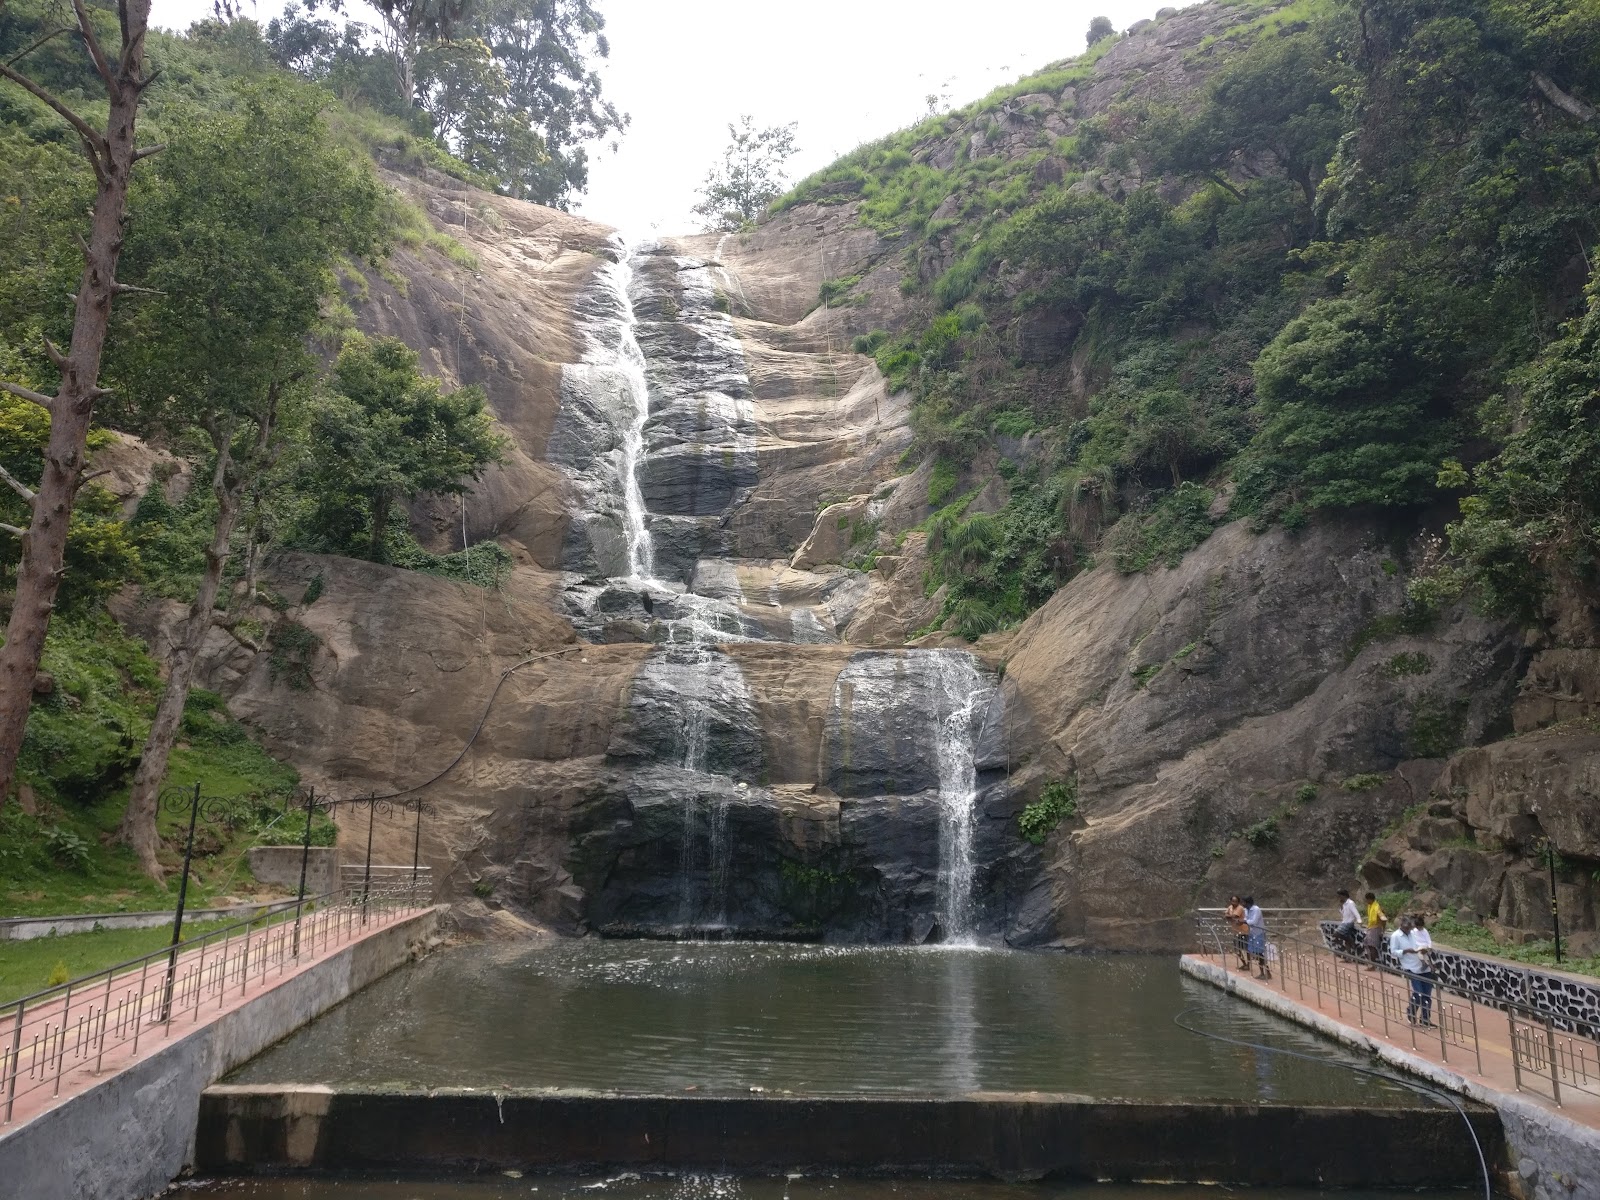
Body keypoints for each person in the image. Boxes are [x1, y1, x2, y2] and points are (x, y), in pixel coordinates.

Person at [1389, 916, 1433, 1026]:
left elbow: (1418, 945)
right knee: (1418, 993)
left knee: (1427, 994)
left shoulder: (1413, 933)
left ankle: (1425, 1018)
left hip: (1422, 964)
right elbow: (1393, 952)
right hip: (1410, 967)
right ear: (1401, 926)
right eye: (1406, 928)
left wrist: (1423, 951)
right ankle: (1411, 1011)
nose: (1408, 930)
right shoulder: (1395, 936)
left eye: (1410, 927)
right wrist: (1405, 951)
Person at [1243, 895, 1270, 980]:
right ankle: (1264, 972)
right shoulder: (1246, 910)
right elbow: (1246, 918)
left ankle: (1266, 972)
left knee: (1260, 953)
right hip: (1252, 933)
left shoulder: (1256, 909)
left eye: (1244, 902)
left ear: (1248, 903)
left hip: (1259, 933)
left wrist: (1244, 921)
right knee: (1256, 953)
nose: (1242, 904)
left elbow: (1253, 921)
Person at [1362, 892, 1387, 969]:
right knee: (1367, 944)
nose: (1366, 901)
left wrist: (1383, 930)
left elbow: (1383, 919)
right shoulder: (1370, 906)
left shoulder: (1376, 907)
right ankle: (1371, 963)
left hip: (1376, 928)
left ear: (1370, 899)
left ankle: (1373, 964)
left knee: (1372, 946)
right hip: (1371, 928)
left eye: (1367, 900)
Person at [1225, 895, 1249, 969]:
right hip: (1236, 931)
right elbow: (1225, 914)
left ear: (1238, 902)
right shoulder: (1230, 907)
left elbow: (1234, 916)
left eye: (1235, 901)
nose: (1233, 903)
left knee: (1246, 948)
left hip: (1243, 931)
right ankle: (1244, 963)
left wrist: (1229, 916)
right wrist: (1229, 915)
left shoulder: (1240, 908)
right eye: (1232, 901)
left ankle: (1248, 964)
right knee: (1237, 949)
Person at [1335, 888, 1361, 955]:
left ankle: (1352, 942)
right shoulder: (1344, 904)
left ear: (1344, 895)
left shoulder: (1350, 903)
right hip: (1344, 922)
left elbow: (1356, 913)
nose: (1339, 898)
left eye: (1340, 896)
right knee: (1346, 942)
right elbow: (1343, 914)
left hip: (1349, 923)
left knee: (1336, 933)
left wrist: (1359, 920)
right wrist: (1341, 906)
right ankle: (1348, 957)